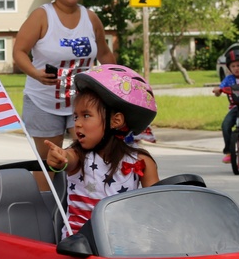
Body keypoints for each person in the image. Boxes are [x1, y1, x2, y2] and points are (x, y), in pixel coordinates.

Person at [13, 0, 114, 188]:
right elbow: (18, 51)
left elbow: (106, 55)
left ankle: (85, 206)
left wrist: (119, 84)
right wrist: (35, 73)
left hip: (82, 103)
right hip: (43, 102)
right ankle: (44, 210)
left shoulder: (91, 18)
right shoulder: (42, 16)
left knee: (91, 157)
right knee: (49, 163)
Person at [44, 65, 160, 237]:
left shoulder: (141, 161)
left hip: (124, 245)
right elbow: (67, 159)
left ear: (116, 120)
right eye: (76, 116)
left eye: (86, 115)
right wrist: (59, 159)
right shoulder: (80, 155)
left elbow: (158, 206)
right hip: (80, 248)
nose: (77, 123)